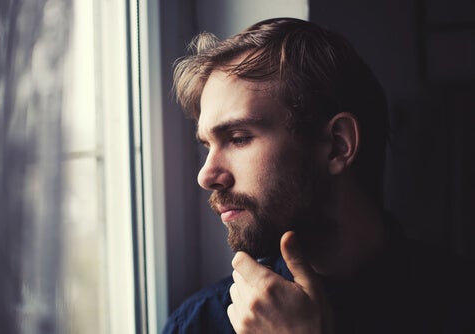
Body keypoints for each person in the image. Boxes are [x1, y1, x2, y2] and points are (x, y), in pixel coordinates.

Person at [163, 17, 475, 333]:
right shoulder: (197, 324)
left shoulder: (461, 307)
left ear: (337, 145)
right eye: (207, 145)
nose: (207, 175)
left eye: (238, 138)